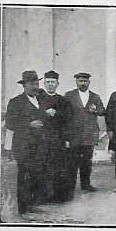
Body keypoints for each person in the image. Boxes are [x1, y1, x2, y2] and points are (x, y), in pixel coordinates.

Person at [4, 71, 48, 216]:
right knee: (24, 176)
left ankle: (32, 204)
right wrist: (29, 124)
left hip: (39, 145)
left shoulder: (40, 100)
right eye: (31, 84)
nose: (35, 87)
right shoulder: (16, 102)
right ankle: (23, 209)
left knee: (36, 175)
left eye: (37, 83)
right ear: (24, 85)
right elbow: (10, 123)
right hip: (23, 145)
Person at [63, 71, 106, 195]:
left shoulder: (95, 96)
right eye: (80, 81)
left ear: (89, 82)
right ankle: (70, 186)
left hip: (89, 134)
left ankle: (86, 185)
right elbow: (64, 115)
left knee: (87, 161)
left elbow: (103, 111)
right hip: (74, 135)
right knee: (72, 162)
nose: (83, 83)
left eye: (85, 81)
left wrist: (96, 109)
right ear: (76, 82)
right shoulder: (69, 96)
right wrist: (66, 135)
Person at [39, 70, 73, 202]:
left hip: (58, 139)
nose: (50, 85)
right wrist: (45, 112)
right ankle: (43, 196)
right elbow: (33, 114)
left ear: (57, 84)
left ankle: (58, 196)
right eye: (47, 82)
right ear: (44, 83)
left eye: (53, 82)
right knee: (43, 167)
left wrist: (67, 139)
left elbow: (68, 119)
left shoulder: (63, 100)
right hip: (42, 138)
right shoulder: (38, 99)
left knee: (58, 167)